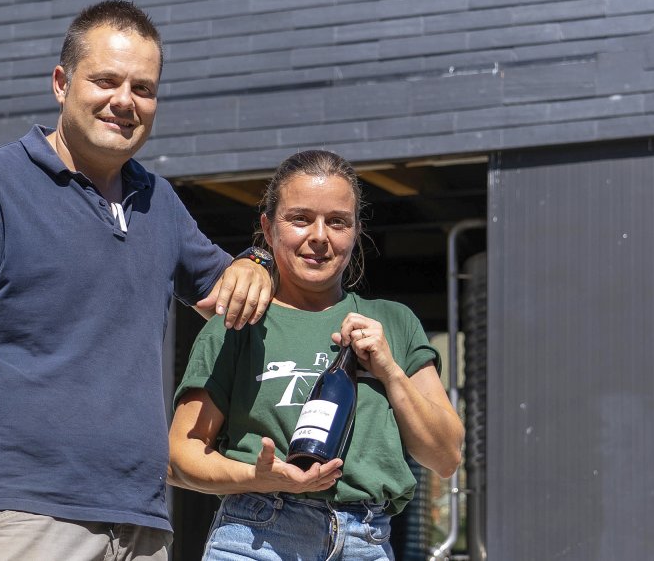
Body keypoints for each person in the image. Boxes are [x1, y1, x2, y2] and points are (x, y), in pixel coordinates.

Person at [0, 0, 274, 561]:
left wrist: (257, 262)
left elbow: (233, 294)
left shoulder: (159, 202)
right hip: (22, 514)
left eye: (143, 88)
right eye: (106, 81)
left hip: (141, 522)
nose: (124, 102)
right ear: (62, 83)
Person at [168, 150, 464, 560]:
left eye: (337, 221)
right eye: (300, 218)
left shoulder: (393, 323)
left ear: (356, 231)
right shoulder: (239, 322)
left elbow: (446, 457)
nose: (320, 236)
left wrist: (390, 371)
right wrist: (256, 477)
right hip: (258, 536)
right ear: (269, 229)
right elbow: (180, 456)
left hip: (367, 542)